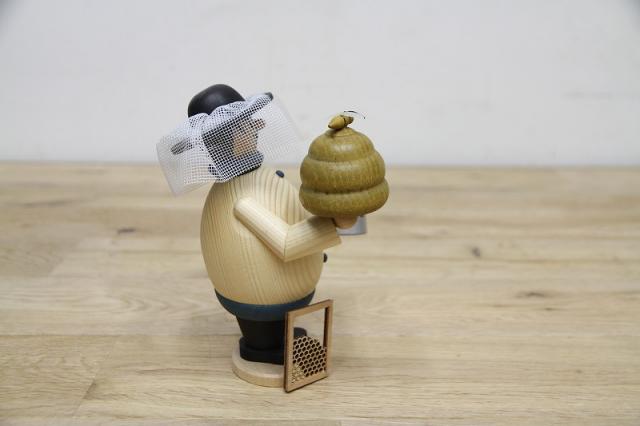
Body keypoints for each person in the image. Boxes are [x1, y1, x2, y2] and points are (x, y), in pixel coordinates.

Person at [158, 84, 353, 365]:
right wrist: (333, 224)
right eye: (247, 125)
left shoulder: (250, 180)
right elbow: (286, 243)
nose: (258, 126)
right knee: (263, 328)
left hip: (275, 292)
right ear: (228, 139)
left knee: (274, 325)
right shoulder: (242, 200)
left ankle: (274, 339)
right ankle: (261, 349)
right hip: (260, 296)